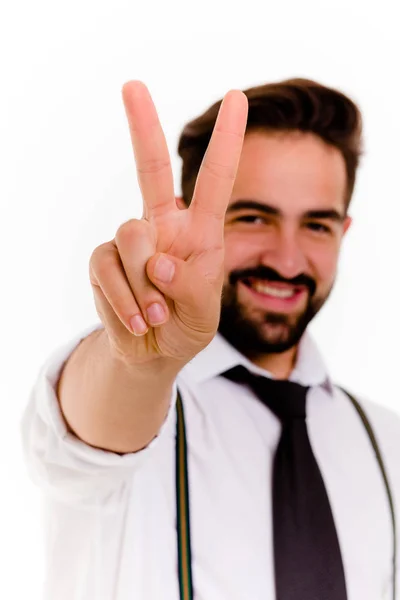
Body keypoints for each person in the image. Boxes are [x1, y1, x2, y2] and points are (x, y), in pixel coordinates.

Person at [20, 78, 400, 600]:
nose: (287, 260)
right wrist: (143, 364)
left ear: (344, 231)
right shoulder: (136, 417)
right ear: (189, 216)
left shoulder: (387, 444)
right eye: (252, 217)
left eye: (316, 225)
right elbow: (88, 440)